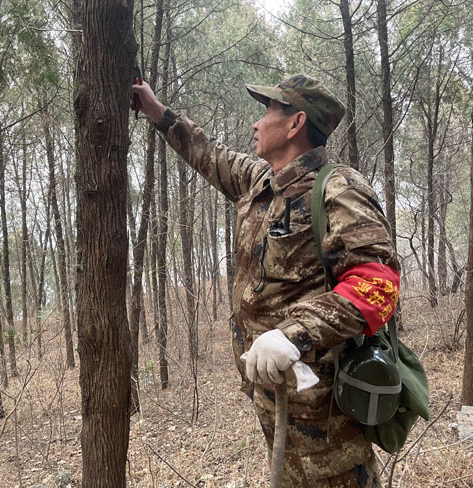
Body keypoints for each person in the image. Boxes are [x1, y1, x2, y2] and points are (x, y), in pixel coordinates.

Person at [132, 74, 400, 487]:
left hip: (323, 409)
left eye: (267, 111)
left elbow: (377, 286)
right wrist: (156, 111)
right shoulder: (261, 182)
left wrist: (293, 335)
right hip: (274, 394)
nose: (256, 124)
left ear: (295, 124)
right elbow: (208, 154)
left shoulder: (337, 189)